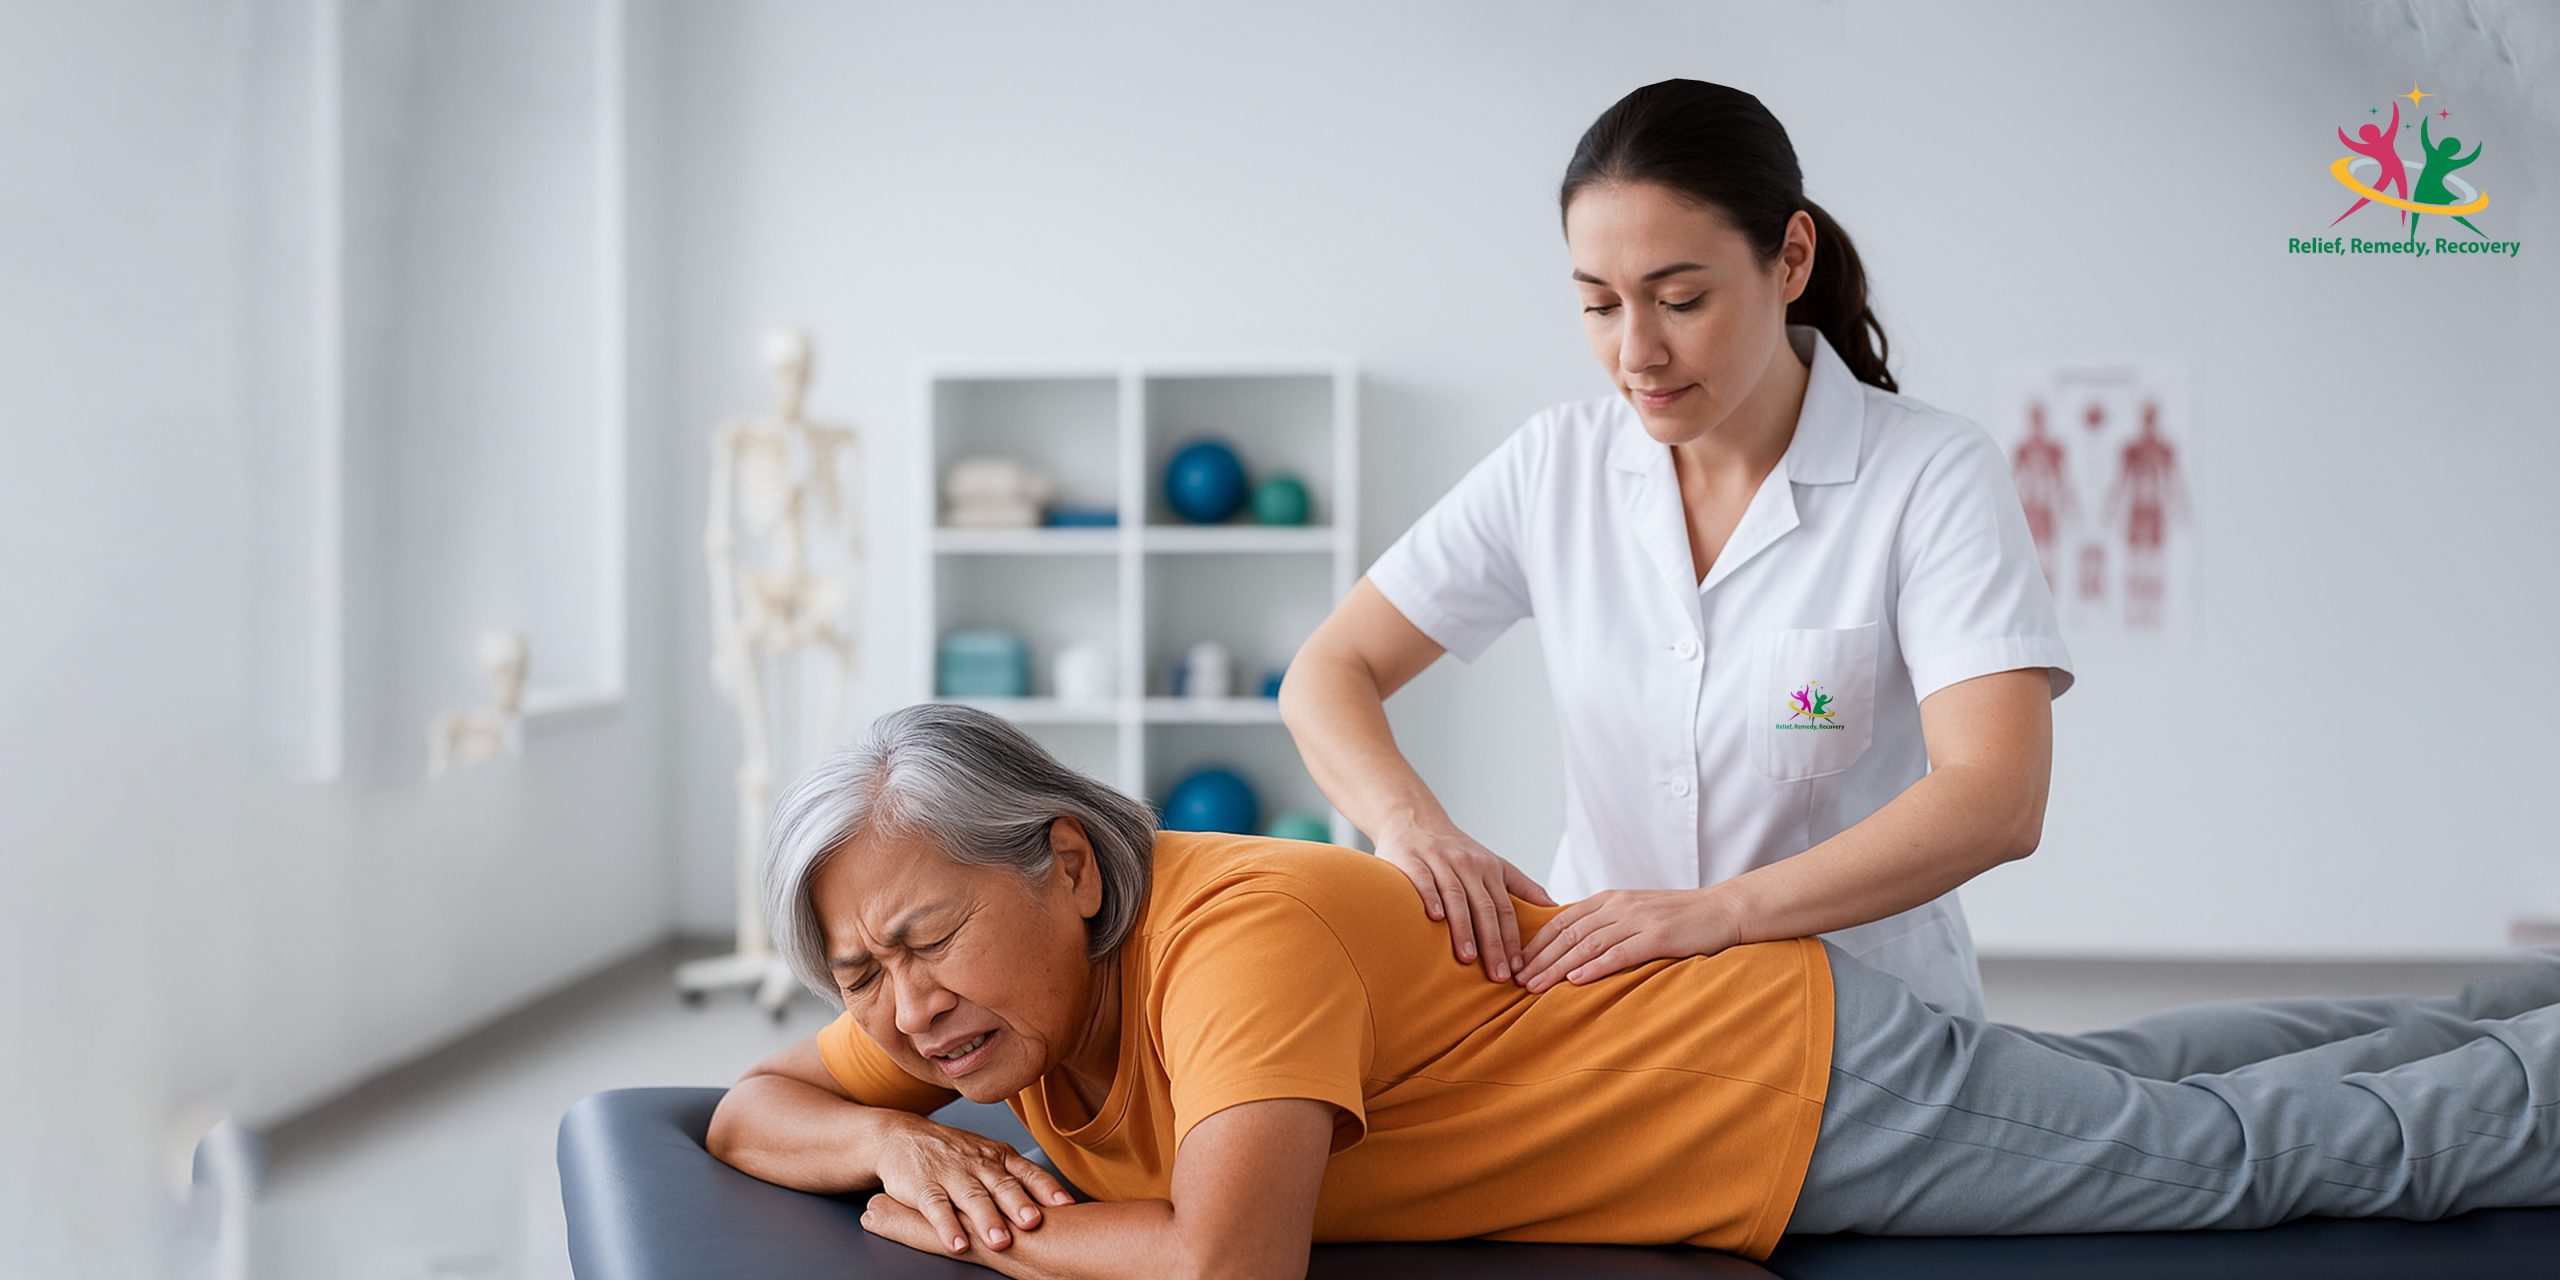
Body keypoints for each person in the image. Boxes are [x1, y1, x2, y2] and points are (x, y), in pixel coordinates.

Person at [706, 704, 2560, 1278]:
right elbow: (746, 1104)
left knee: (2227, 1165)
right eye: (865, 971)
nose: (905, 1008)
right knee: (2167, 1086)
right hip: (1767, 1048)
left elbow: (1224, 1264)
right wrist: (895, 1145)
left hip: (1787, 1097)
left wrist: (959, 1213)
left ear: (1070, 868)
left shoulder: (1225, 941)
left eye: (922, 947)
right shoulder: (984, 995)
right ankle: (2484, 1022)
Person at [1280, 78, 2072, 1022]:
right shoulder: (1555, 465)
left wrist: (1721, 915)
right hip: (1607, 1019)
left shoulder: (1930, 473)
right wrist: (1414, 828)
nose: (1637, 353)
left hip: (1863, 1028)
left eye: (1681, 300)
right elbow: (1331, 668)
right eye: (1600, 306)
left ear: (1789, 259)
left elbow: (1997, 796)